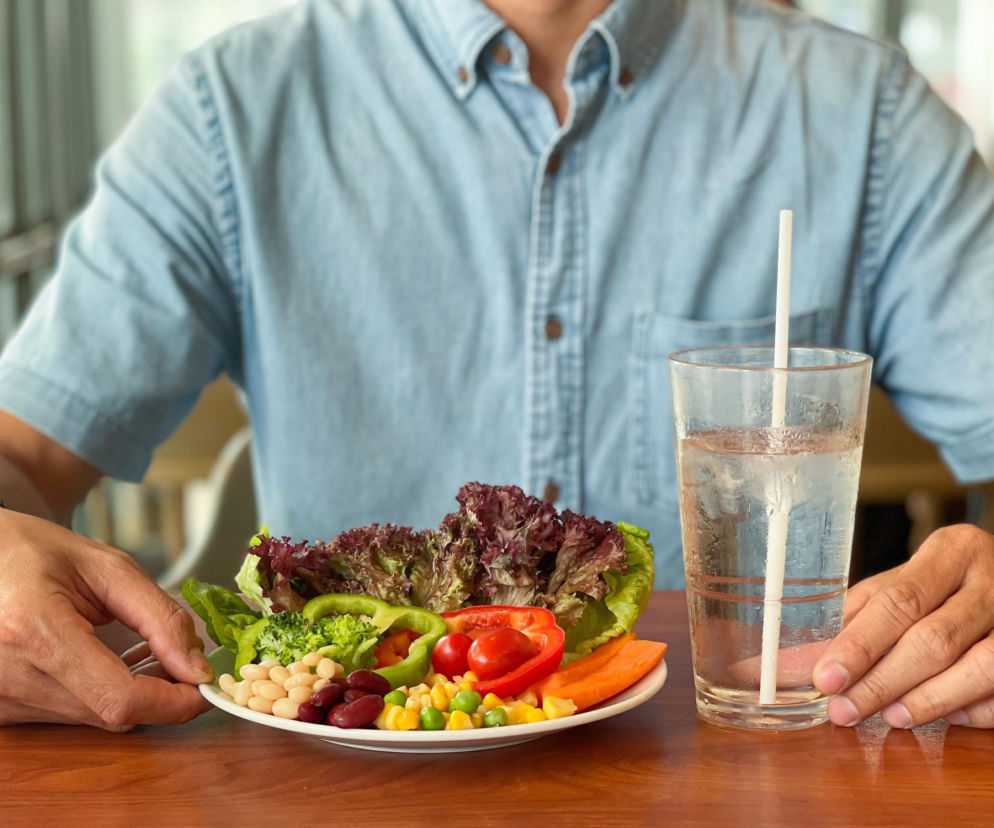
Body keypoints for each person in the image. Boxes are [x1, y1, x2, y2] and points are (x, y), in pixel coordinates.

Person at [0, 0, 992, 732]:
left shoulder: (859, 116)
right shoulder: (230, 111)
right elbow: (23, 451)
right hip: (336, 789)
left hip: (745, 772)